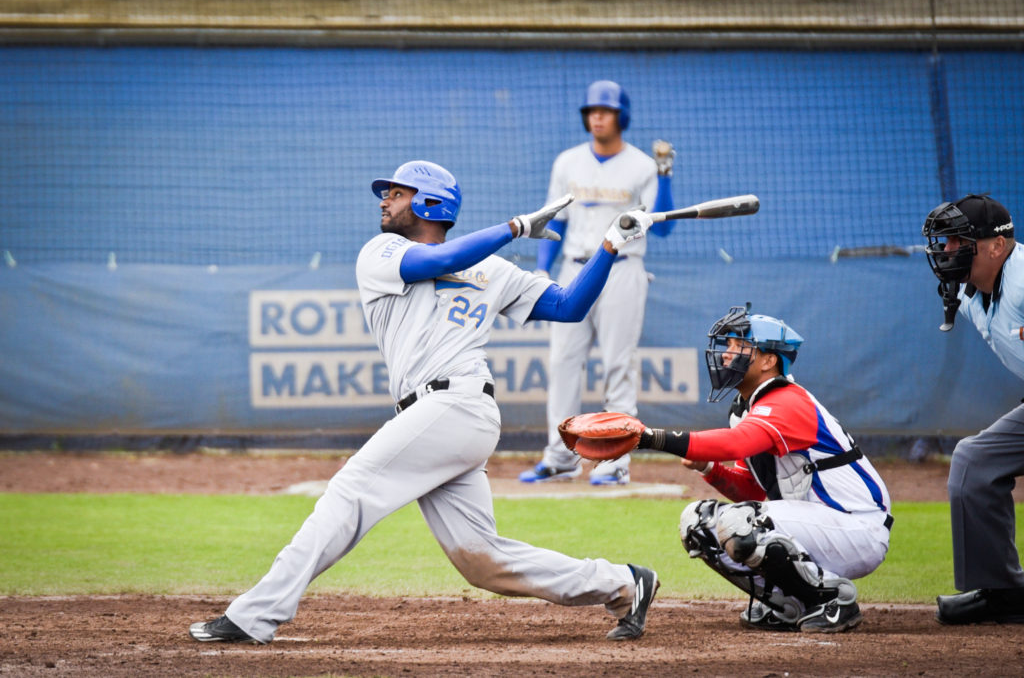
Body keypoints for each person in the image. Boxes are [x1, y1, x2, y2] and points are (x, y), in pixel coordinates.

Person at [188, 160, 660, 644]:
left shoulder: (493, 269)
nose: (384, 200)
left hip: (458, 404)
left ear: (430, 201)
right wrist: (514, 228)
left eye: (397, 192)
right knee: (482, 560)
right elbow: (438, 263)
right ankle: (622, 582)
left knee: (349, 493)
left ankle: (255, 615)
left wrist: (610, 246)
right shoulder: (381, 251)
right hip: (434, 415)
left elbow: (568, 305)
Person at [630, 304, 892, 632]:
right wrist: (710, 469)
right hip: (816, 523)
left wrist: (653, 439)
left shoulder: (788, 400)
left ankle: (831, 601)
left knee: (742, 522)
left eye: (739, 346)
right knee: (697, 523)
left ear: (769, 360)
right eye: (727, 346)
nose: (726, 354)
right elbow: (754, 491)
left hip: (856, 527)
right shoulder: (747, 407)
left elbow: (737, 443)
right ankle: (789, 603)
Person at [520, 79, 678, 487]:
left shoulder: (642, 165)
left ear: (620, 116)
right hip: (573, 267)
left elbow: (661, 230)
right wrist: (542, 268)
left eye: (604, 111)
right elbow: (555, 218)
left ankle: (614, 461)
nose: (597, 118)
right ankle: (559, 456)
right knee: (562, 362)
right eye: (592, 111)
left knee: (617, 364)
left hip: (623, 268)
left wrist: (665, 176)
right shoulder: (568, 161)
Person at [921, 193, 1024, 624]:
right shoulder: (967, 294)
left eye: (957, 242)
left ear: (996, 247)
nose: (946, 252)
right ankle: (1003, 594)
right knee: (973, 462)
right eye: (944, 243)